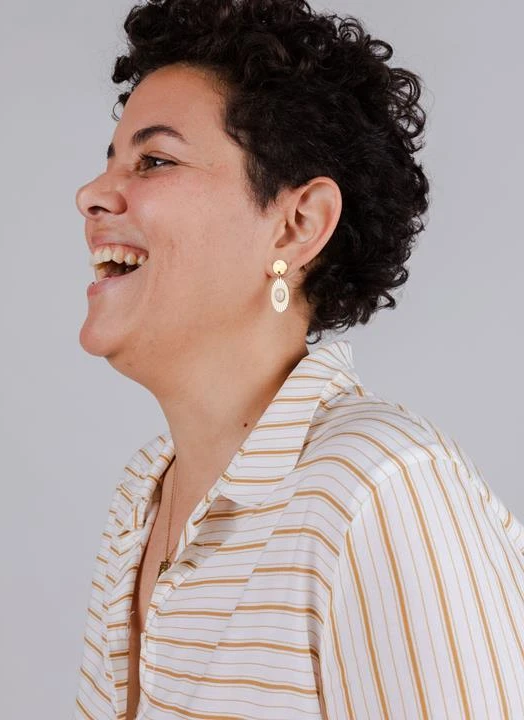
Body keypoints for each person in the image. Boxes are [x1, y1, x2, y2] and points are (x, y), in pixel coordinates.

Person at [73, 1, 524, 718]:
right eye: (110, 162)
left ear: (297, 225)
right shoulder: (142, 497)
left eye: (154, 161)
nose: (91, 195)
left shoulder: (376, 488)